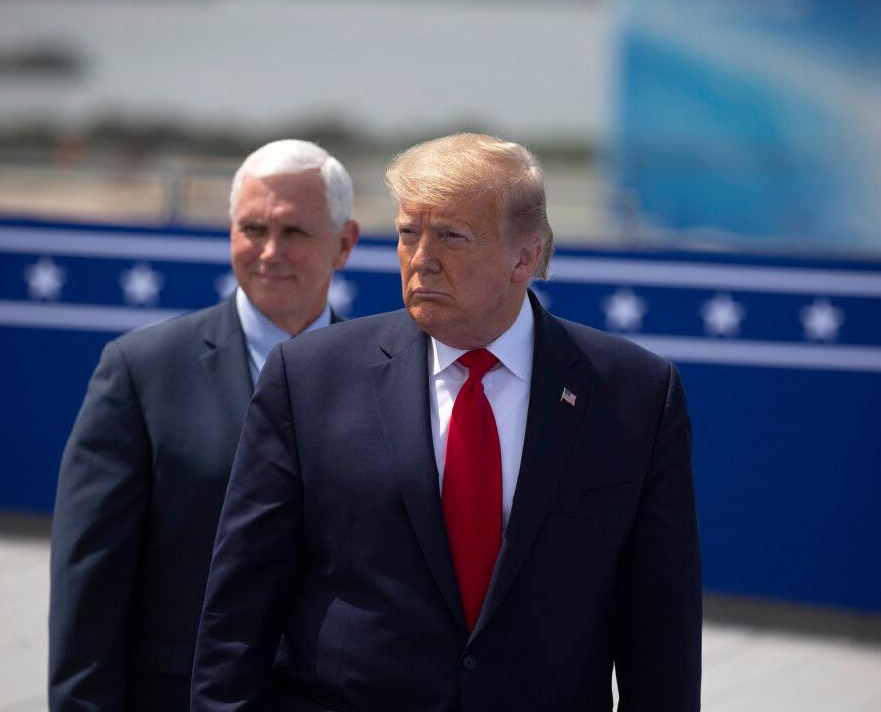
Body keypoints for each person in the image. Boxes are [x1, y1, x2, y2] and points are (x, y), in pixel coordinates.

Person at [191, 133, 701, 711]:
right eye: (409, 233)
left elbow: (662, 632)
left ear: (525, 256)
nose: (421, 258)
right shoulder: (308, 379)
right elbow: (237, 615)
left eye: (452, 236)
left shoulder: (633, 395)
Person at [48, 140, 360, 711]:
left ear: (344, 243)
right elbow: (88, 590)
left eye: (294, 232)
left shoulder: (384, 377)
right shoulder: (140, 373)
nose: (269, 251)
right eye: (251, 228)